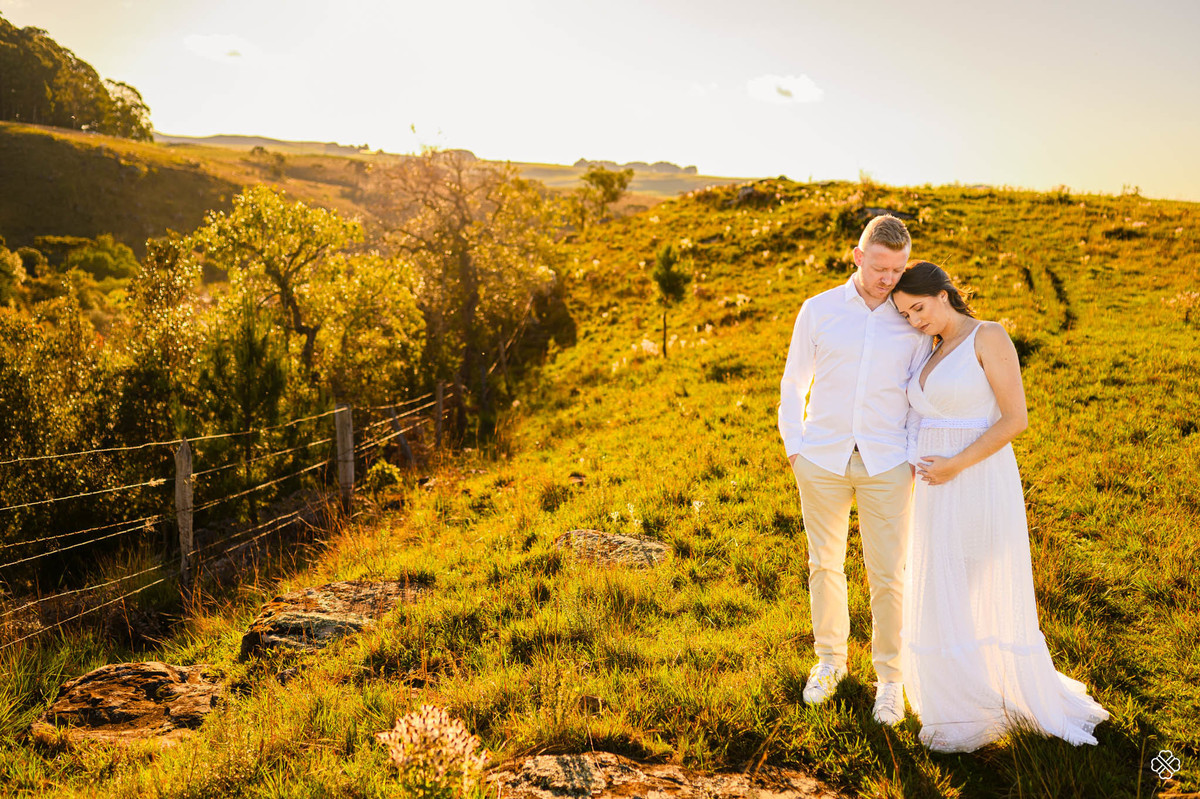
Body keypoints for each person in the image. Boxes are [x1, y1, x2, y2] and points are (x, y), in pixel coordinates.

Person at [892, 260, 1109, 752]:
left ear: (943, 294)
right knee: (943, 585)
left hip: (976, 477)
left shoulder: (988, 336)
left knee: (970, 579)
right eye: (905, 315)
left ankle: (986, 695)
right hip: (934, 487)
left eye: (919, 308)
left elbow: (1015, 419)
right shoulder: (931, 347)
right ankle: (955, 693)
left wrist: (955, 464)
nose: (915, 320)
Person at [778, 215, 931, 725]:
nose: (889, 279)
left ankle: (890, 680)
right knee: (824, 564)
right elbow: (793, 382)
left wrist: (911, 456)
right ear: (858, 256)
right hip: (821, 459)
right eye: (880, 267)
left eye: (898, 269)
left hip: (888, 463)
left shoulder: (911, 319)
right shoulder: (818, 310)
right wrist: (795, 448)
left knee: (888, 574)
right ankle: (830, 663)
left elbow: (918, 394)